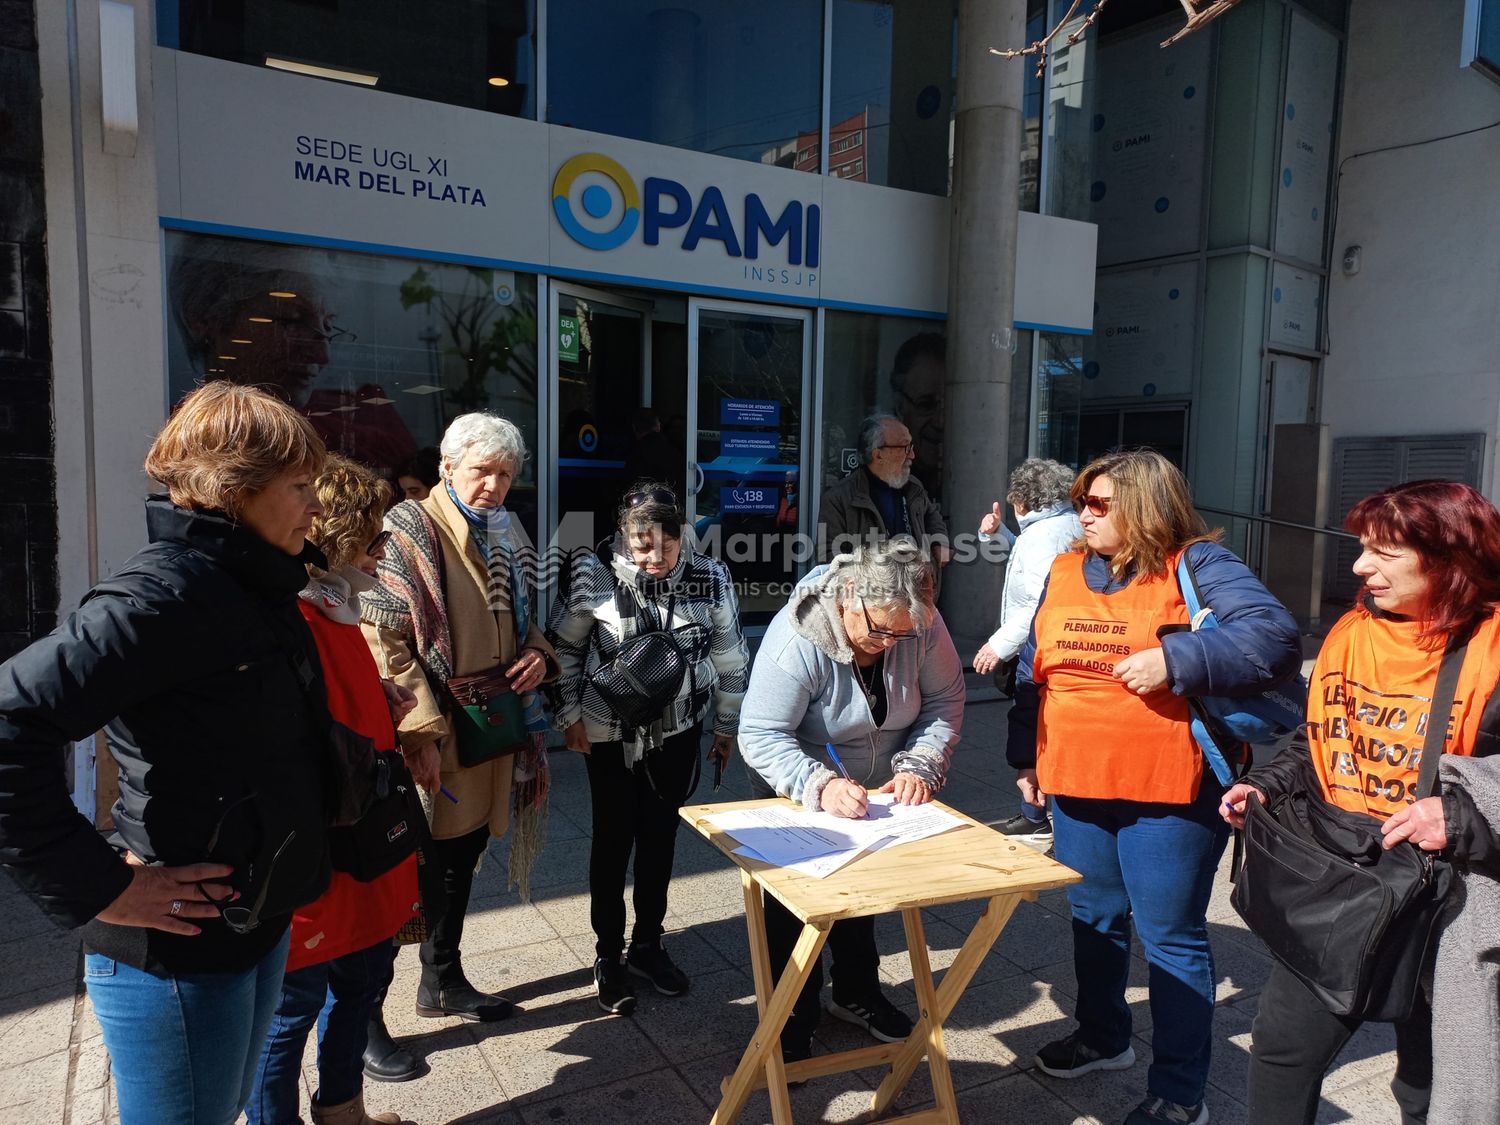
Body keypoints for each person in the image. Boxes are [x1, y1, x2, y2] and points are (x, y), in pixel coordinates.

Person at [0, 383, 334, 1125]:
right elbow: (9, 722)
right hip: (178, 949)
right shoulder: (159, 598)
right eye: (302, 486)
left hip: (253, 919)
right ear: (236, 490)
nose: (318, 505)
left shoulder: (256, 585)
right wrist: (96, 884)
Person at [1009, 449, 1300, 1125]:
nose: (1084, 512)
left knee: (1169, 936)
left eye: (1100, 502)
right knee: (1093, 917)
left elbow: (1274, 637)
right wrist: (1025, 753)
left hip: (1170, 789)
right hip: (1077, 781)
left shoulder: (1198, 563)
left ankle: (1179, 1091)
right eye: (1083, 499)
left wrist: (1177, 656)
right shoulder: (1062, 567)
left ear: (1145, 507)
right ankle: (1104, 1035)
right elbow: (1034, 664)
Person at [1220, 480, 1500, 1125]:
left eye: (1385, 552)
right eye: (1361, 548)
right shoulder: (1352, 633)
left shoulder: (1493, 650)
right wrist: (1268, 784)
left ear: (1451, 557)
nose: (1359, 567)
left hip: (1455, 904)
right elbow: (1321, 740)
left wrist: (1458, 816)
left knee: (1432, 1078)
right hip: (1348, 879)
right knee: (1283, 1051)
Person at [360, 412, 559, 1025]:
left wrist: (539, 657)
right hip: (436, 736)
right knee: (404, 875)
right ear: (446, 466)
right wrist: (418, 729)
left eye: (505, 474)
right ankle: (364, 1022)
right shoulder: (406, 529)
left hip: (490, 732)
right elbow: (383, 638)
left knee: (460, 858)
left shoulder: (508, 530)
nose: (494, 486)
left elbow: (524, 620)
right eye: (481, 471)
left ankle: (443, 979)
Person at [739, 540, 964, 1061]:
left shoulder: (919, 624)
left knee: (862, 890)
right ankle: (791, 1008)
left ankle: (857, 991)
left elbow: (945, 699)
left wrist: (920, 764)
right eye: (880, 630)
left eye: (902, 634)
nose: (889, 644)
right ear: (847, 597)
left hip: (875, 785)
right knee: (794, 900)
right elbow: (762, 733)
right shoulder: (797, 635)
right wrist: (817, 785)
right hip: (795, 774)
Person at [249, 455, 420, 1125]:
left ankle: (342, 1108)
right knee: (290, 1010)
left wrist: (380, 701)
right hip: (316, 847)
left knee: (361, 981)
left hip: (363, 835)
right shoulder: (289, 613)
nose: (382, 551)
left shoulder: (338, 604)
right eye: (373, 536)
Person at [547, 482, 749, 1014]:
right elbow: (564, 650)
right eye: (642, 543)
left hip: (678, 729)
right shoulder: (594, 574)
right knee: (613, 842)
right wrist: (568, 718)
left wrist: (726, 728)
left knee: (659, 839)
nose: (655, 555)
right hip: (607, 732)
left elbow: (730, 658)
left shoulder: (711, 577)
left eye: (667, 541)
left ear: (683, 536)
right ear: (622, 535)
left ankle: (648, 944)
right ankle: (607, 955)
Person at [972, 458, 1082, 852]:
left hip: (1039, 651)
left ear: (1022, 499)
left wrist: (998, 645)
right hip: (1058, 647)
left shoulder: (1043, 537)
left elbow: (1039, 598)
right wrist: (997, 532)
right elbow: (1028, 561)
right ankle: (1036, 814)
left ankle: (1038, 816)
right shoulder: (1063, 525)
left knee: (1034, 727)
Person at [816, 413, 949, 568]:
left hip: (916, 588)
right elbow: (828, 559)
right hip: (872, 590)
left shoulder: (914, 486)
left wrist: (940, 543)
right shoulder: (838, 499)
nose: (912, 455)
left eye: (911, 447)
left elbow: (932, 517)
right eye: (905, 447)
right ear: (878, 455)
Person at [889, 332, 946, 501]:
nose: (940, 422)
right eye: (926, 404)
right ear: (900, 406)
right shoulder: (875, 483)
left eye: (949, 407)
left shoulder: (968, 478)